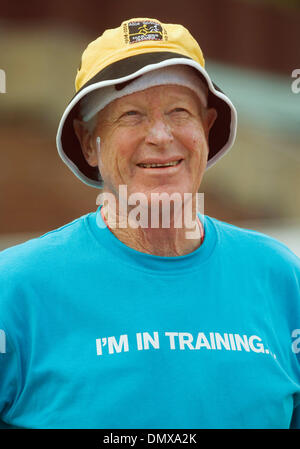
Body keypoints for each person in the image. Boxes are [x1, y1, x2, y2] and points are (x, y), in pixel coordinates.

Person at [0, 17, 299, 430]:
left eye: (179, 111)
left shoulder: (280, 279)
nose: (160, 135)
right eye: (131, 115)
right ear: (89, 142)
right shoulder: (15, 290)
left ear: (207, 129)